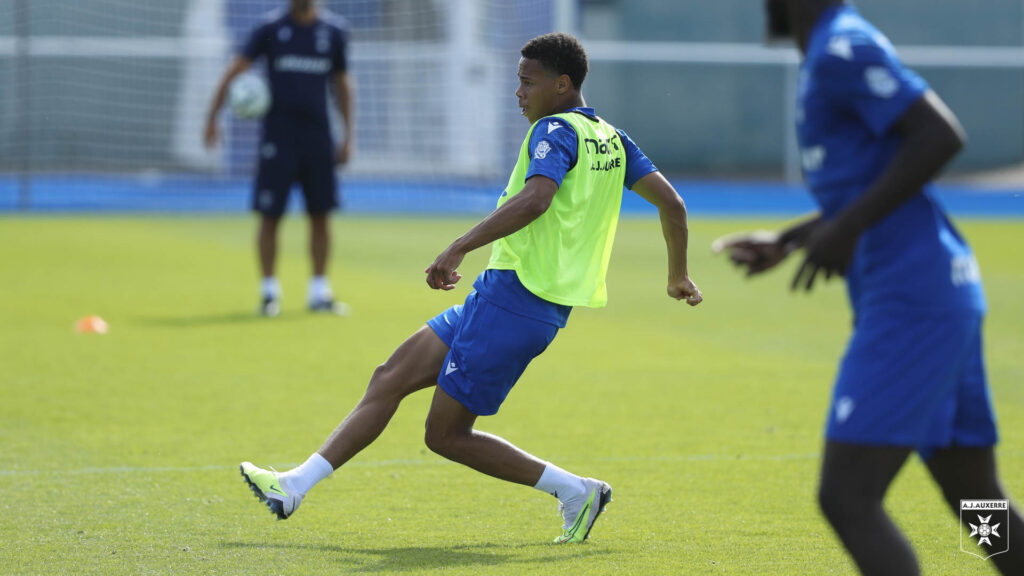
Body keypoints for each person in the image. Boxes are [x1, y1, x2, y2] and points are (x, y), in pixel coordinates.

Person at [239, 32, 703, 543]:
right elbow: (673, 204)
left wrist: (459, 246)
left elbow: (537, 199)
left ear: (562, 84)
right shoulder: (613, 138)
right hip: (506, 297)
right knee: (390, 376)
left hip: (517, 303)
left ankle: (577, 491)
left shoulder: (554, 130)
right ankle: (293, 486)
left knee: (445, 435)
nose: (518, 92)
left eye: (528, 82)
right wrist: (677, 275)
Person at [714, 1, 1023, 574]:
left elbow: (939, 135)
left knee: (848, 496)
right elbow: (865, 185)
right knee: (976, 495)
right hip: (940, 294)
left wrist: (848, 227)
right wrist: (791, 239)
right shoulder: (830, 50)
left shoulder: (842, 48)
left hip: (914, 304)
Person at [204, 0, 354, 316]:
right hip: (278, 140)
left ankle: (319, 291)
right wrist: (212, 117)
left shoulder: (334, 32)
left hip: (318, 139)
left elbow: (342, 84)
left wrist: (348, 135)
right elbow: (234, 70)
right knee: (270, 216)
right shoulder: (269, 29)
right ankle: (269, 292)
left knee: (321, 215)